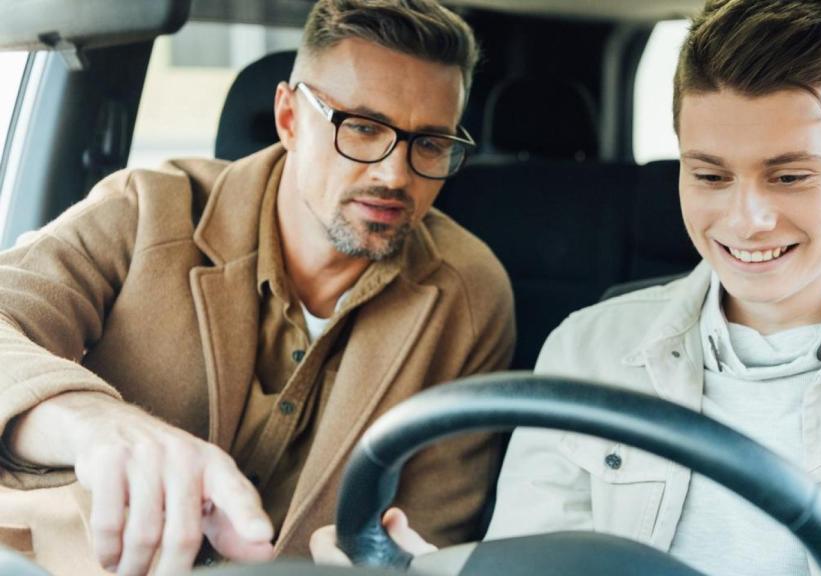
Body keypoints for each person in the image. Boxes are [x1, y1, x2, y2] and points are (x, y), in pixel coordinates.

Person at [312, 0, 821, 574]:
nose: (747, 220)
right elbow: (535, 560)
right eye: (709, 175)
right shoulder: (587, 354)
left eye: (791, 175)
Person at [0, 1, 515, 574]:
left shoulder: (469, 293)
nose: (395, 175)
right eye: (364, 129)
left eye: (431, 144)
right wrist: (95, 426)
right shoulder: (147, 210)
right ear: (289, 118)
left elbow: (429, 531)